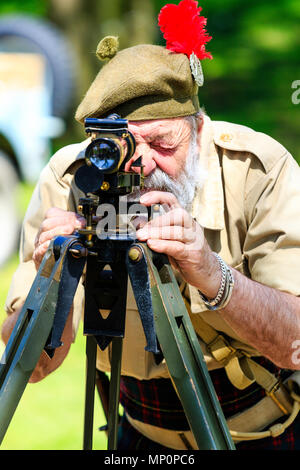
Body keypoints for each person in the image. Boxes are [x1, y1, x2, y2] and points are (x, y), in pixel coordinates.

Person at [2, 0, 300, 450]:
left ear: (199, 130)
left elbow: (295, 341)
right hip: (139, 434)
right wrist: (55, 278)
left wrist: (210, 271)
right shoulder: (71, 179)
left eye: (162, 143)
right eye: (121, 149)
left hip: (259, 432)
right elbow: (34, 367)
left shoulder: (256, 170)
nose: (141, 166)